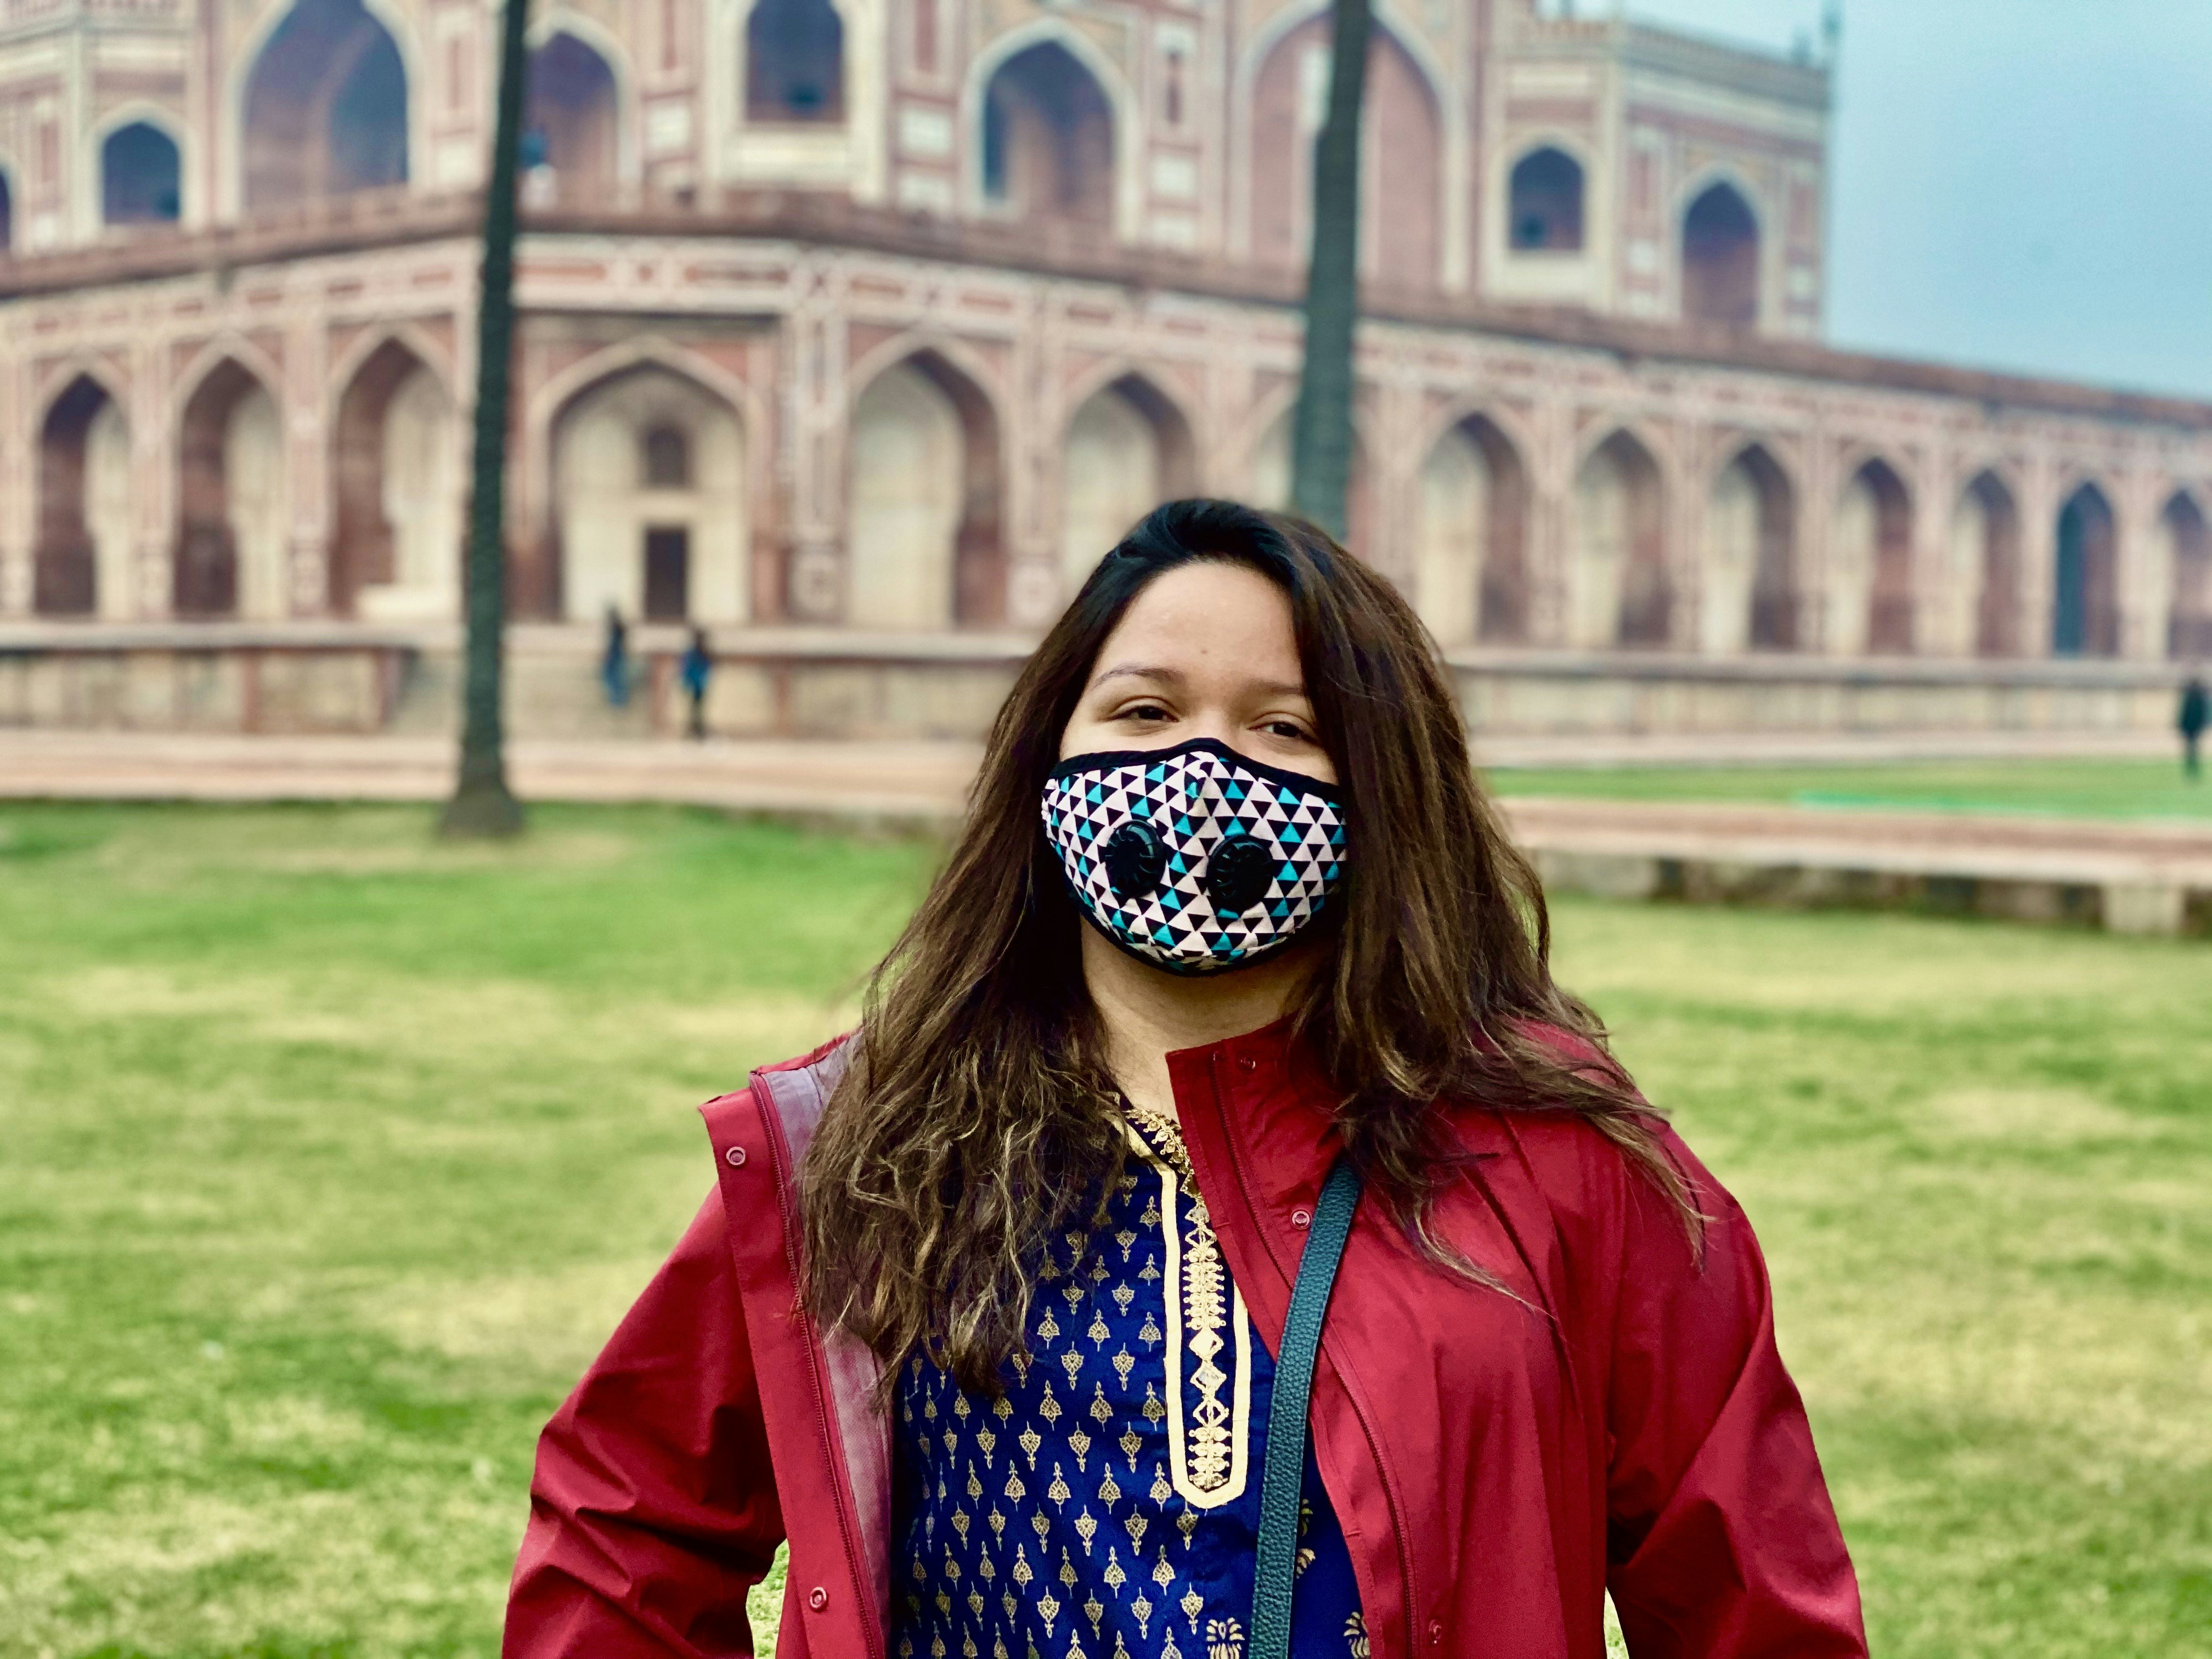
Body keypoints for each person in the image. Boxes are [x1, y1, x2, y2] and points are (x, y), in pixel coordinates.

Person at [504, 500, 1866, 1659]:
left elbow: (1750, 1601)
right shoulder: (876, 1143)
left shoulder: (1559, 1164)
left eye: (1285, 727)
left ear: (1381, 790)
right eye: (1145, 710)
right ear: (1052, 757)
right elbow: (628, 1517)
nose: (1202, 767)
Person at [680, 627, 713, 741]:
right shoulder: (693, 653)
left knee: (698, 709)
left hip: (700, 685)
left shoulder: (704, 653)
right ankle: (694, 729)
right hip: (695, 685)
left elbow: (706, 668)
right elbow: (687, 668)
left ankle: (697, 729)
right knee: (694, 709)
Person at [600, 605, 629, 709]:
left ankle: (618, 701)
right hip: (616, 656)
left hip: (615, 656)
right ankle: (617, 701)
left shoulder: (616, 629)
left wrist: (608, 655)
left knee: (616, 678)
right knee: (614, 678)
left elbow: (614, 645)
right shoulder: (616, 628)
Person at [2181, 675, 2208, 780]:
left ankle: (2192, 768)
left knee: (2191, 749)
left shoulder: (2189, 697)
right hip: (2195, 727)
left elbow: (2184, 713)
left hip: (2190, 727)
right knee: (2193, 748)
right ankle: (2194, 768)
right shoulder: (2200, 697)